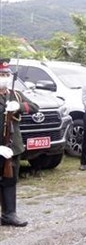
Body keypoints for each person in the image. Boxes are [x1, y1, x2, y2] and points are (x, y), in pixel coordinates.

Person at [0, 58, 38, 227]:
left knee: (10, 180)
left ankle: (9, 214)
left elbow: (34, 107)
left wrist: (19, 106)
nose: (5, 77)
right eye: (1, 74)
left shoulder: (15, 94)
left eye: (7, 74)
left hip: (12, 145)